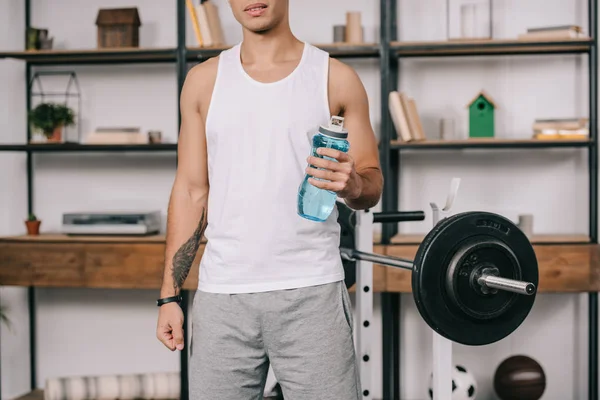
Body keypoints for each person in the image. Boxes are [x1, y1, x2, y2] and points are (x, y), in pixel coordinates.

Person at [155, 0, 383, 398]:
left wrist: (352, 186)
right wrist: (168, 295)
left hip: (311, 293)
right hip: (223, 298)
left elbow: (372, 183)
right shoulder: (203, 82)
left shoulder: (336, 79)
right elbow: (191, 191)